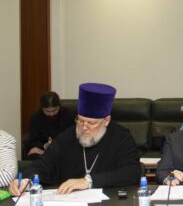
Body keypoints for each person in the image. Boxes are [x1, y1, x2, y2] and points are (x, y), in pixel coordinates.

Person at [9, 83, 141, 195]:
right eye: (81, 120)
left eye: (91, 123)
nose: (84, 127)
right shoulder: (68, 135)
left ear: (106, 120)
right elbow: (43, 164)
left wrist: (89, 181)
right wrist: (27, 180)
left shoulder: (121, 137)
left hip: (109, 204)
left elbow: (132, 171)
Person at [25, 91, 74, 160]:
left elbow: (73, 136)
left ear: (59, 106)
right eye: (47, 111)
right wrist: (45, 145)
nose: (51, 114)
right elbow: (33, 139)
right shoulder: (35, 118)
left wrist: (56, 146)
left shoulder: (69, 115)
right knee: (32, 155)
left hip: (64, 149)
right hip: (44, 150)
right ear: (42, 108)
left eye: (54, 110)